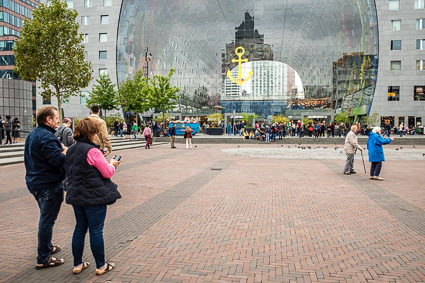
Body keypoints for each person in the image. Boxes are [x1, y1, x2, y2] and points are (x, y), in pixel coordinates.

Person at [65, 118, 121, 275]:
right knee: (96, 230)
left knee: (79, 228)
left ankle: (77, 264)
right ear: (91, 133)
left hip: (76, 196)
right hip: (94, 197)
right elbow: (107, 172)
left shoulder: (71, 150)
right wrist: (112, 164)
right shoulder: (93, 151)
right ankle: (101, 265)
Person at [24, 106, 67, 269]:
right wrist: (65, 151)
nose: (58, 120)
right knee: (47, 220)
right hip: (48, 184)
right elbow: (57, 160)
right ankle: (43, 258)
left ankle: (47, 247)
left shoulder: (33, 134)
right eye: (56, 117)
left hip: (34, 182)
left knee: (46, 218)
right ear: (48, 119)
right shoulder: (47, 137)